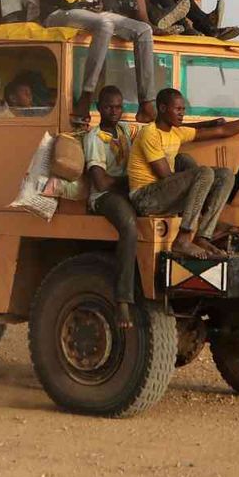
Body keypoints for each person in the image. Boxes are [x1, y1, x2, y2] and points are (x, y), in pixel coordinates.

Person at [127, 88, 239, 259]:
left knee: (225, 175)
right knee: (204, 173)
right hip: (145, 198)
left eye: (183, 109)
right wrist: (199, 192)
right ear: (162, 108)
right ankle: (182, 239)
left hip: (163, 194)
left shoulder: (176, 133)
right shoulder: (150, 133)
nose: (182, 113)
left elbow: (223, 131)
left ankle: (203, 236)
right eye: (178, 109)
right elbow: (166, 177)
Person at [82, 86, 141, 323]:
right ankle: (123, 300)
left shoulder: (124, 130)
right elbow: (101, 182)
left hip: (127, 189)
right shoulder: (94, 138)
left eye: (118, 107)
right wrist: (132, 181)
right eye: (108, 107)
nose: (114, 111)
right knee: (129, 227)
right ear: (99, 108)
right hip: (105, 197)